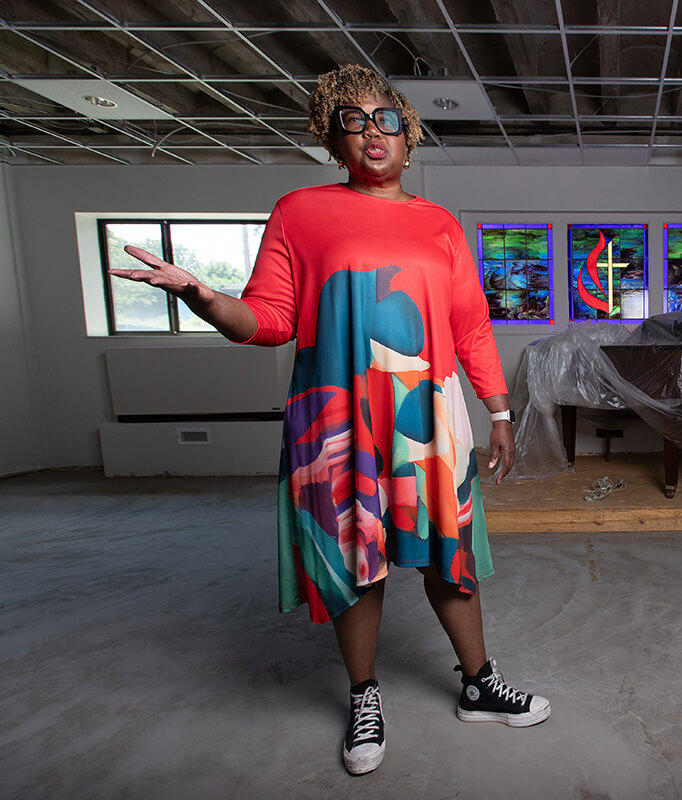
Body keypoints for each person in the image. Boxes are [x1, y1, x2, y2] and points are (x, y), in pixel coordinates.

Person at [110, 63, 550, 776]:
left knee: (452, 556)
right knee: (355, 561)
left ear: (408, 138)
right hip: (336, 419)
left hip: (432, 416)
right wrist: (200, 295)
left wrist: (498, 410)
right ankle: (363, 695)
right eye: (355, 120)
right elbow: (270, 321)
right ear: (333, 138)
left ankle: (479, 683)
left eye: (386, 120)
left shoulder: (439, 225)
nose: (372, 133)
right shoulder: (301, 212)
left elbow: (470, 325)